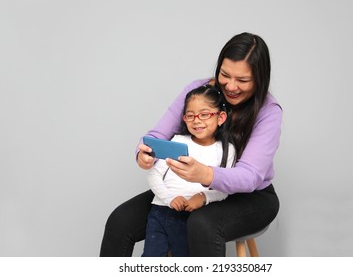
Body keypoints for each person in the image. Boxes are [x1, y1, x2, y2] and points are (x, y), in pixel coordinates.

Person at [100, 32, 282, 257]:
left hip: (251, 197)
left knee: (202, 224)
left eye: (243, 80)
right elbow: (157, 135)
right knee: (121, 220)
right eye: (225, 75)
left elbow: (250, 176)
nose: (231, 86)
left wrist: (205, 174)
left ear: (260, 79)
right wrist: (144, 153)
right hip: (191, 186)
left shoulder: (268, 111)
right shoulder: (199, 91)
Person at [142, 85, 236, 257]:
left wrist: (202, 198)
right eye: (190, 115)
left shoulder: (227, 150)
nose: (197, 120)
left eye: (205, 114)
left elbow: (224, 190)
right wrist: (169, 199)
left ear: (221, 117)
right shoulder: (177, 141)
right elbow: (154, 175)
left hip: (192, 216)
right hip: (161, 211)